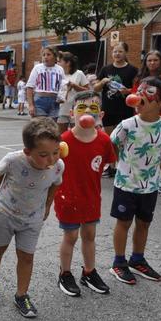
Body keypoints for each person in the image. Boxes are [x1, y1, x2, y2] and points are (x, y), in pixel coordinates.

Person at [0, 118, 64, 317]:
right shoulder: (13, 160)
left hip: (33, 218)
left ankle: (22, 294)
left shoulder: (58, 165)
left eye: (55, 152)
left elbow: (55, 184)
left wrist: (47, 206)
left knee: (27, 256)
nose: (51, 159)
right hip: (5, 213)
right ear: (28, 151)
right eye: (44, 155)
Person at [107, 77, 161, 285]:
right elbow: (113, 144)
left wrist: (160, 171)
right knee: (123, 222)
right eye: (138, 91)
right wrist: (119, 165)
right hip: (126, 183)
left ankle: (137, 259)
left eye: (148, 92)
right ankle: (118, 263)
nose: (139, 96)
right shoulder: (127, 124)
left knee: (144, 223)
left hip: (150, 185)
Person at [54, 91, 115, 297]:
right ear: (72, 114)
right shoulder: (63, 141)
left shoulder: (104, 141)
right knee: (70, 236)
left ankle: (89, 272)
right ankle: (65, 273)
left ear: (101, 114)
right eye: (81, 108)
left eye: (93, 108)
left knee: (90, 235)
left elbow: (102, 165)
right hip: (67, 197)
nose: (87, 112)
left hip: (91, 197)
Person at [134, 50, 161, 198]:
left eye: (155, 60)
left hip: (160, 117)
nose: (152, 63)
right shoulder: (140, 77)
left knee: (160, 148)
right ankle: (142, 177)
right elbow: (135, 96)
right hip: (140, 118)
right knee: (142, 148)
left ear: (160, 62)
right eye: (149, 60)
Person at [95, 42, 138, 178]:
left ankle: (122, 165)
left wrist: (128, 91)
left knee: (124, 140)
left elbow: (137, 90)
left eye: (120, 51)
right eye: (114, 52)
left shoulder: (133, 70)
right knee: (111, 139)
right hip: (108, 108)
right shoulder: (106, 69)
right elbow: (95, 88)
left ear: (125, 53)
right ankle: (112, 166)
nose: (117, 54)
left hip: (125, 109)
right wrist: (102, 82)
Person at [26, 47, 65, 119]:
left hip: (54, 101)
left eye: (48, 54)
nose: (45, 57)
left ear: (54, 56)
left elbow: (63, 86)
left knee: (52, 126)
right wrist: (31, 105)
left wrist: (62, 97)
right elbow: (29, 87)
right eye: (43, 55)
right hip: (40, 100)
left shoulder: (60, 69)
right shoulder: (37, 68)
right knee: (41, 125)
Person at [57, 52, 89, 134]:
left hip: (76, 109)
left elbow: (88, 91)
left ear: (68, 63)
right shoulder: (58, 74)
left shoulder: (79, 73)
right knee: (61, 135)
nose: (57, 63)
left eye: (59, 61)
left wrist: (75, 86)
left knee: (76, 134)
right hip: (61, 109)